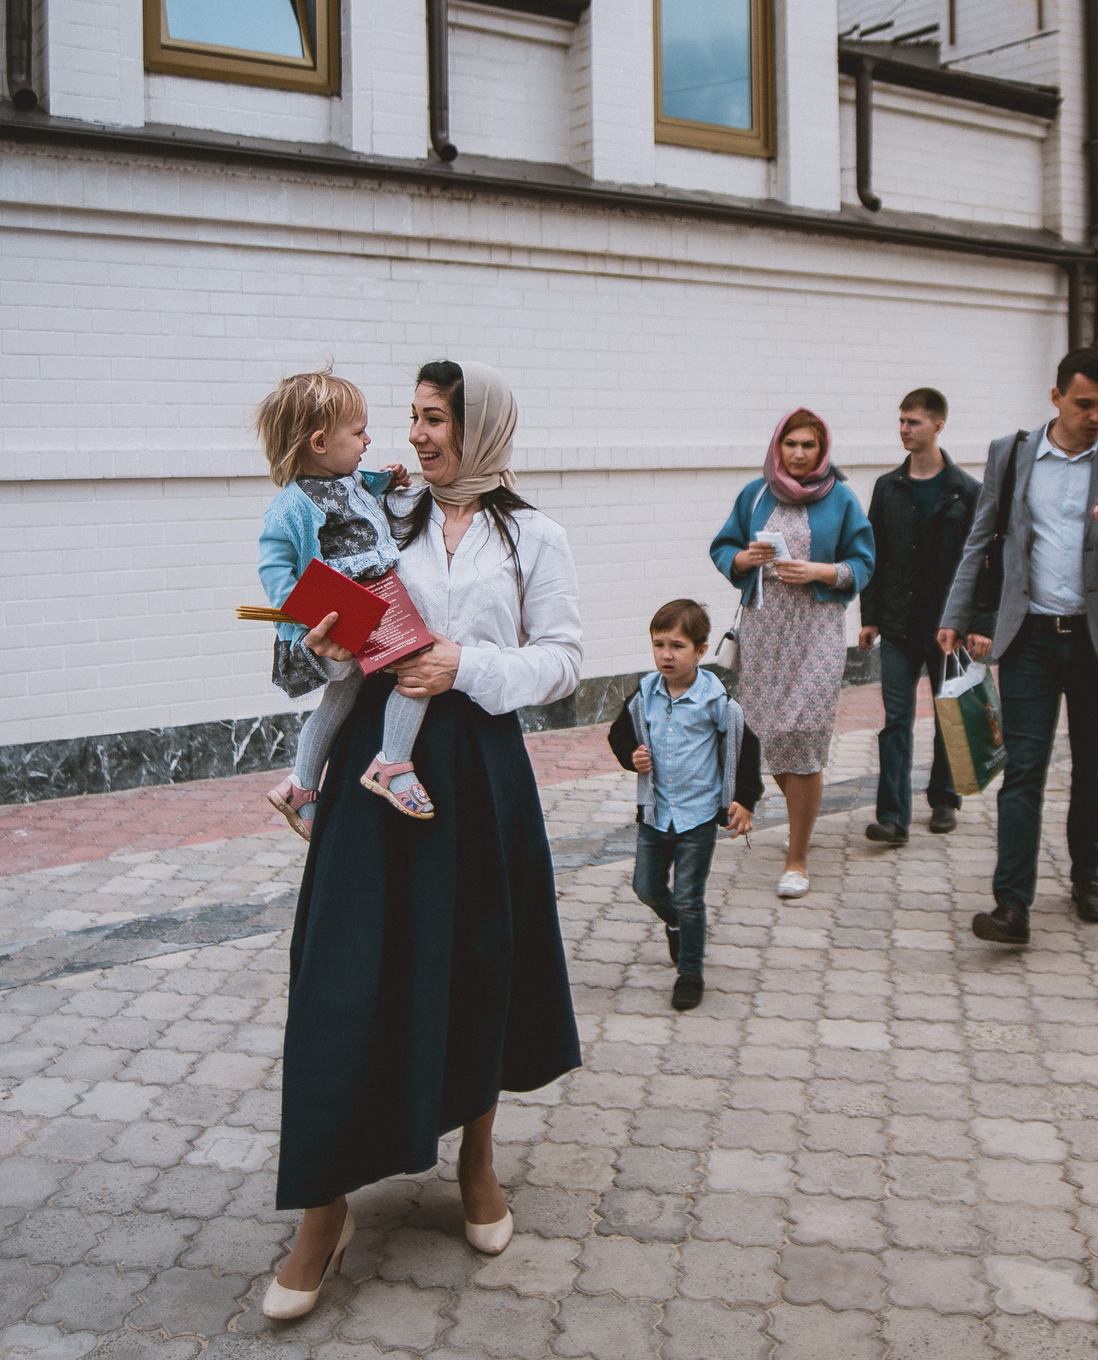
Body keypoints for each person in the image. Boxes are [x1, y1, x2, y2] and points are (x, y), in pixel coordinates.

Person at [265, 360, 583, 1322]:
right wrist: (312, 644)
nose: (417, 436)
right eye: (410, 417)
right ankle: (323, 1210)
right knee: (340, 973)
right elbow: (298, 651)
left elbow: (564, 661)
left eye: (435, 418)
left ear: (480, 426)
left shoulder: (533, 534)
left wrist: (465, 663)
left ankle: (477, 1165)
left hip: (477, 770)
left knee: (474, 961)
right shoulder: (371, 510)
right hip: (373, 766)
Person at [938, 350, 1098, 947]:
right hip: (1029, 637)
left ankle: (1087, 878)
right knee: (1023, 773)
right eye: (1085, 403)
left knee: (1093, 769)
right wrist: (955, 615)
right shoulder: (1010, 454)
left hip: (1097, 639)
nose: (1096, 416)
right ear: (1056, 395)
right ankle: (1011, 905)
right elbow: (980, 537)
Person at [253, 370, 433, 832]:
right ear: (319, 443)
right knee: (419, 662)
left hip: (368, 607)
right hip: (341, 617)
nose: (368, 440)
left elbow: (365, 487)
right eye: (358, 432)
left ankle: (301, 783)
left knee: (340, 697)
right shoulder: (290, 505)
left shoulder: (350, 478)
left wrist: (388, 479)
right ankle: (392, 763)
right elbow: (275, 566)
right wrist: (307, 612)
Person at [709, 408, 876, 900]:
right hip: (765, 632)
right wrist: (743, 559)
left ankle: (797, 858)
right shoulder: (755, 494)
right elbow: (723, 548)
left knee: (802, 735)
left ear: (822, 451)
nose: (800, 454)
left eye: (809, 445)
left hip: (817, 632)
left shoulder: (841, 497)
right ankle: (804, 815)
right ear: (777, 447)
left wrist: (822, 572)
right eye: (791, 444)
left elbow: (863, 562)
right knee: (767, 734)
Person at [606, 598, 764, 1011]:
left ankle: (690, 972)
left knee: (691, 895)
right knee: (645, 886)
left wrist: (744, 800)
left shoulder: (716, 700)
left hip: (697, 814)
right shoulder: (644, 695)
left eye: (677, 646)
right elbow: (618, 735)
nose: (666, 655)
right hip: (656, 813)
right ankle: (674, 921)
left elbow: (746, 746)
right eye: (659, 645)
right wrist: (631, 757)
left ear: (700, 650)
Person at [857, 388, 979, 845]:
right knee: (896, 720)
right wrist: (870, 617)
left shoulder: (967, 492)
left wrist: (976, 624)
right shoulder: (889, 488)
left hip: (950, 627)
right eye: (902, 420)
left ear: (938, 426)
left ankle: (945, 798)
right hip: (898, 624)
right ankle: (893, 818)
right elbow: (875, 556)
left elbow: (982, 563)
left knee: (952, 712)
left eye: (913, 421)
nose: (904, 428)